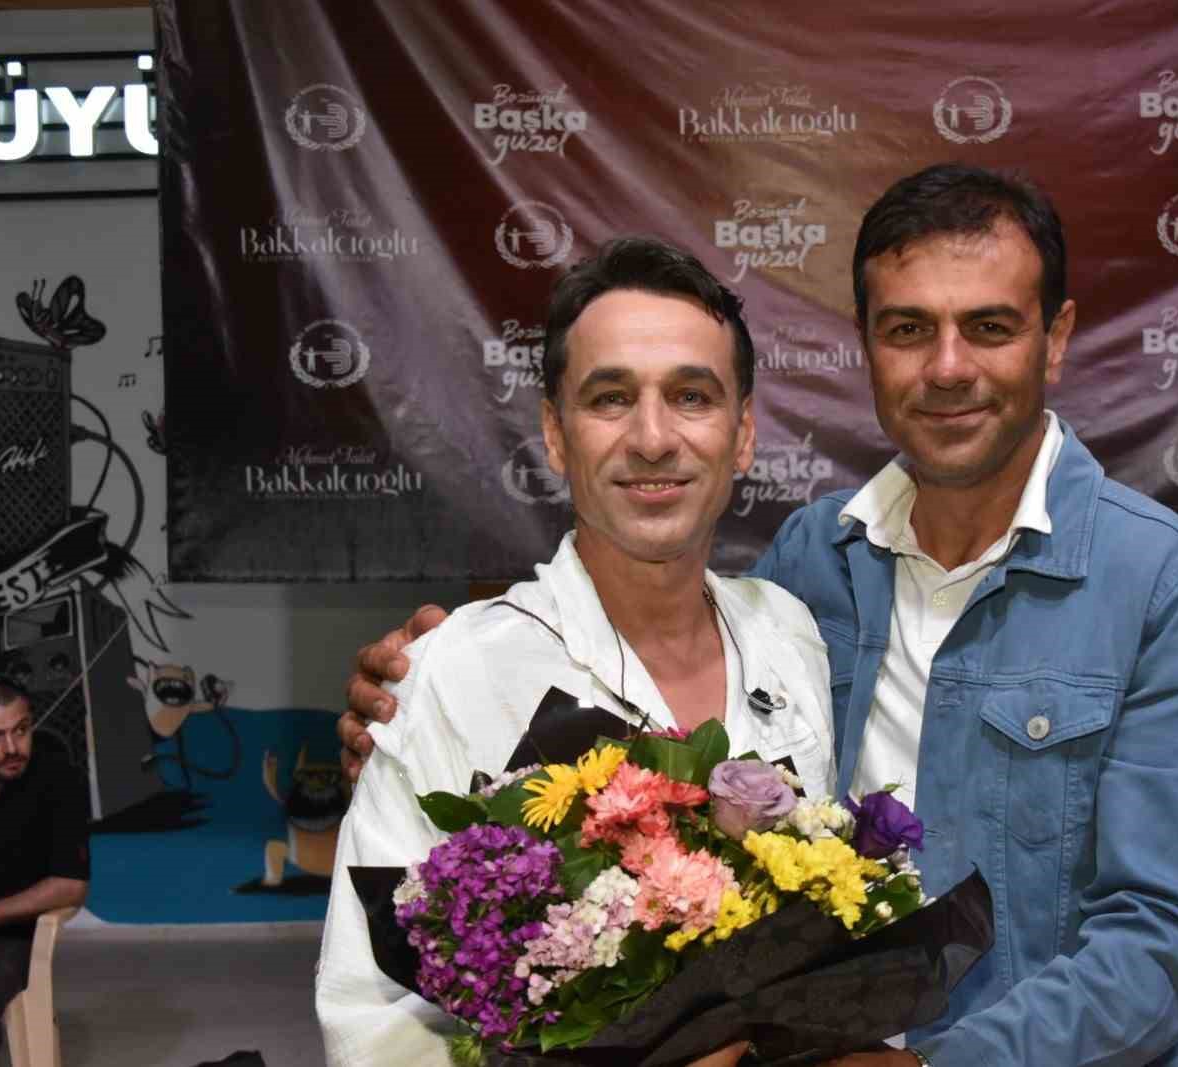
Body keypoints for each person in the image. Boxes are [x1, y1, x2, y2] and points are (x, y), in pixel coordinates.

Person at [341, 164, 1178, 1067]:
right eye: (908, 328)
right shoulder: (808, 572)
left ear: (1055, 339)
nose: (948, 367)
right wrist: (431, 700)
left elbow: (1163, 942)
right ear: (866, 344)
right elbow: (650, 643)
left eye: (989, 327)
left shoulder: (1168, 588)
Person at [314, 237, 836, 1067]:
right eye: (610, 398)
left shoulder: (789, 636)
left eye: (692, 396)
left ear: (743, 434)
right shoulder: (453, 673)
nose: (653, 437)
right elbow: (371, 1023)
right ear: (556, 434)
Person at [0, 677, 90, 1061]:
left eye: (21, 730)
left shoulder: (57, 780)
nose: (12, 748)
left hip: (14, 931)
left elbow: (70, 886)